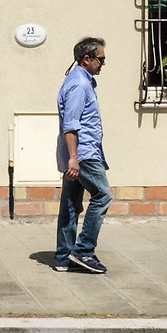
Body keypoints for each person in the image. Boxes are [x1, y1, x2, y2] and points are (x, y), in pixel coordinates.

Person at [54, 36, 111, 273]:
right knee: (102, 195)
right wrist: (74, 159)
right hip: (83, 154)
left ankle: (62, 257)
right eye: (101, 59)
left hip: (80, 153)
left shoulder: (81, 80)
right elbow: (71, 125)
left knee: (70, 204)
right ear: (86, 59)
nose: (103, 64)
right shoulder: (79, 84)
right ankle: (84, 251)